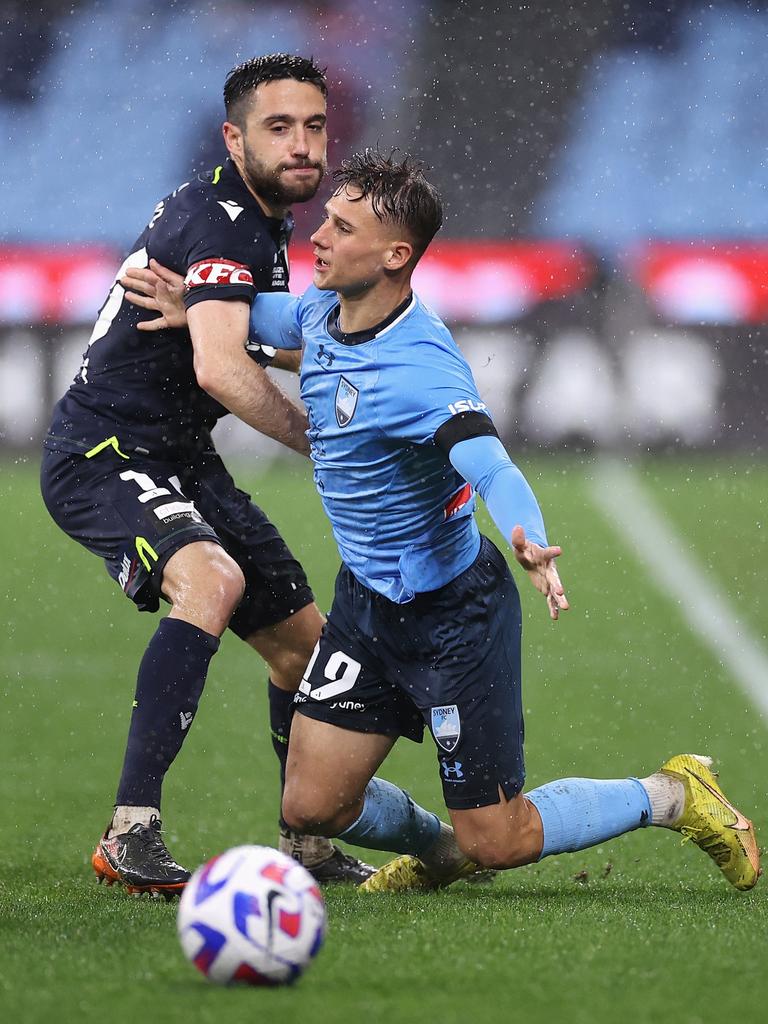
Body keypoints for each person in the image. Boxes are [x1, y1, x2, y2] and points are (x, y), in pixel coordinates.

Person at [127, 150, 760, 894]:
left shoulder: (422, 371)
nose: (318, 238)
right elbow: (259, 318)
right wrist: (193, 307)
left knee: (502, 838)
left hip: (453, 616)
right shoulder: (323, 309)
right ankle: (439, 851)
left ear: (395, 256)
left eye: (341, 227)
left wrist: (524, 532)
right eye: (325, 218)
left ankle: (671, 794)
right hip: (368, 604)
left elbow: (491, 465)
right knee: (311, 805)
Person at [39, 54, 375, 897]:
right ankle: (131, 832)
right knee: (210, 579)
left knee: (305, 648)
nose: (303, 146)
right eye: (278, 128)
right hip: (105, 452)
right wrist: (327, 444)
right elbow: (223, 372)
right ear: (234, 137)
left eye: (314, 127)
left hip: (183, 459)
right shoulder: (226, 220)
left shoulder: (251, 215)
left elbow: (242, 338)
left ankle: (304, 843)